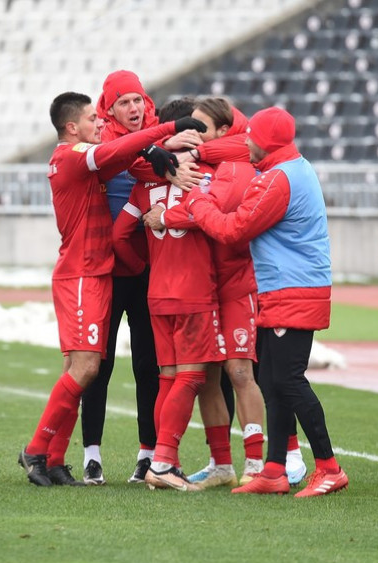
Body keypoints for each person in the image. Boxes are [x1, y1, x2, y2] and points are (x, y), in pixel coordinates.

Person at [17, 90, 206, 487]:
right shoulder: (72, 155)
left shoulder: (82, 160)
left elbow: (124, 158)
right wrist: (168, 128)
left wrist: (159, 147)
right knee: (87, 367)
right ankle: (37, 449)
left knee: (78, 369)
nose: (100, 122)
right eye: (92, 118)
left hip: (91, 272)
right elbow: (113, 151)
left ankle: (52, 458)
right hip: (82, 274)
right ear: (72, 127)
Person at [185, 107, 349, 497]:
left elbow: (233, 229)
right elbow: (233, 148)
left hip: (293, 288)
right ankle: (274, 469)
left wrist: (195, 201)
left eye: (251, 136)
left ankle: (329, 468)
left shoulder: (277, 180)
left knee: (288, 381)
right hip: (286, 287)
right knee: (272, 381)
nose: (246, 142)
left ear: (267, 141)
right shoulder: (291, 164)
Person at [78, 70, 205, 485]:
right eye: (123, 103)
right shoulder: (103, 137)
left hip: (148, 267)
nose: (132, 109)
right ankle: (91, 454)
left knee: (151, 366)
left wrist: (167, 153)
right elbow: (129, 160)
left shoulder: (155, 136)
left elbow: (150, 163)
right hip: (105, 269)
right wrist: (163, 156)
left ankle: (148, 454)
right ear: (107, 108)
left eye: (137, 100)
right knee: (98, 363)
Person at [144, 97, 268, 488]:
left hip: (234, 284)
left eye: (200, 127)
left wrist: (165, 216)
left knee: (240, 371)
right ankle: (221, 464)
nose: (191, 133)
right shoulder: (192, 164)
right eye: (188, 126)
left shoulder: (235, 165)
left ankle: (256, 464)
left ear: (221, 132)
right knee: (208, 377)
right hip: (203, 288)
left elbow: (216, 210)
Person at [113, 97, 224, 491]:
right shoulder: (203, 176)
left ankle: (164, 462)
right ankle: (162, 462)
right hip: (194, 291)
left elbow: (119, 234)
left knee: (168, 379)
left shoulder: (147, 183)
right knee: (192, 378)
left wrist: (142, 265)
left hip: (157, 291)